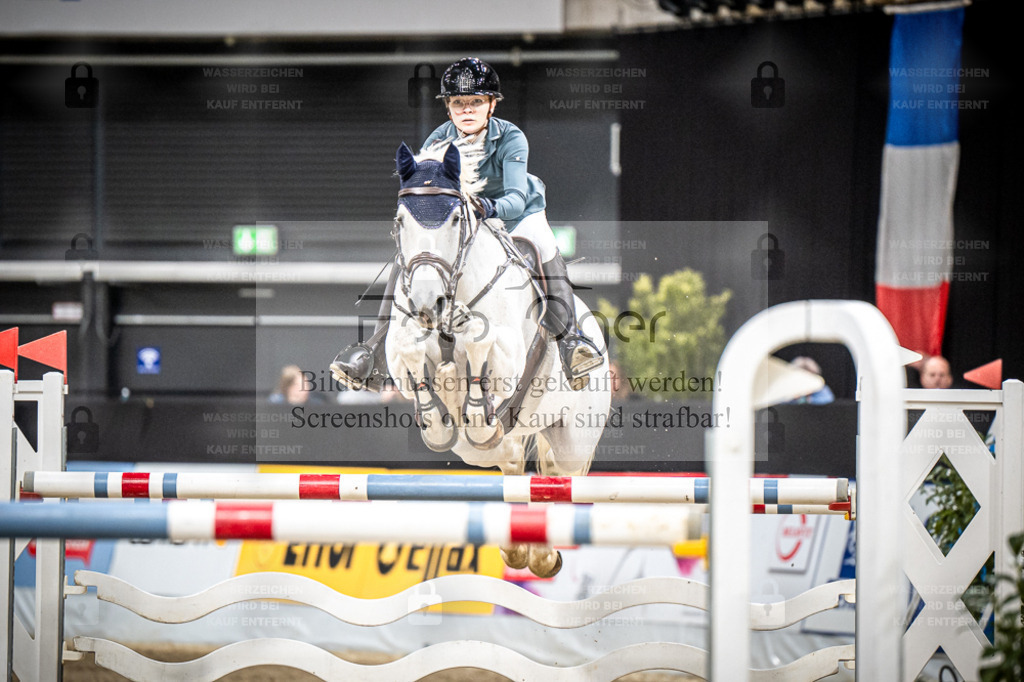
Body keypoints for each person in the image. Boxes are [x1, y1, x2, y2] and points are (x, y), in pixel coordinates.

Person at [330, 57, 602, 392]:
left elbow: (516, 198)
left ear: (491, 105)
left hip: (515, 214)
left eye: (476, 101)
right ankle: (374, 351)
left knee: (543, 243)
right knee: (414, 259)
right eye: (458, 103)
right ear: (448, 108)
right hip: (466, 218)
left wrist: (486, 206)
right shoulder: (437, 140)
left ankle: (571, 342)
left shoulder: (511, 137)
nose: (467, 109)